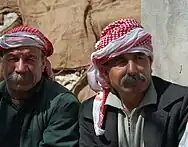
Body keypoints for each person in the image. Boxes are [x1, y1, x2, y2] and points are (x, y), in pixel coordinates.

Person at [79, 18, 188, 147]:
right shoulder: (91, 113)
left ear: (150, 62)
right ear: (105, 71)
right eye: (121, 61)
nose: (132, 70)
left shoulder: (180, 103)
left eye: (139, 58)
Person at [0, 26, 80, 147]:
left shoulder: (62, 104)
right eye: (13, 59)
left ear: (43, 64)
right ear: (2, 63)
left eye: (30, 59)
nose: (20, 68)